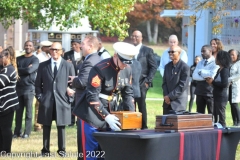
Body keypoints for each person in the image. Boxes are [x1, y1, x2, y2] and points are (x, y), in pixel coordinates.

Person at [73, 42, 137, 160]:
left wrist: (131, 116)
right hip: (91, 114)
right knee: (91, 153)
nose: (124, 65)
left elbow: (128, 94)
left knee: (108, 152)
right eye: (123, 61)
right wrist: (106, 116)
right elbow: (92, 97)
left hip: (112, 111)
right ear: (115, 55)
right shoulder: (100, 69)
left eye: (127, 63)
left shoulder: (127, 69)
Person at [35, 42, 75, 157]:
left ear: (61, 51)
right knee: (46, 126)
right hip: (47, 101)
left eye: (57, 50)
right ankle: (45, 150)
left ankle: (62, 150)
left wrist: (70, 98)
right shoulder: (43, 65)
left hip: (62, 101)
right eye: (52, 49)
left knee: (61, 127)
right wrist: (40, 98)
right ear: (49, 51)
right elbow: (37, 85)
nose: (54, 52)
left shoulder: (68, 65)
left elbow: (73, 84)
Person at [68, 35, 101, 160]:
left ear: (91, 46)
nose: (80, 46)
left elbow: (83, 82)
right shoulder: (97, 59)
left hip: (85, 107)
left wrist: (74, 80)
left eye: (83, 44)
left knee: (85, 145)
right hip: (91, 106)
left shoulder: (90, 61)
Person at [131, 30, 157, 129]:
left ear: (141, 38)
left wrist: (148, 81)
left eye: (137, 36)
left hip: (142, 82)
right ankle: (131, 126)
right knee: (130, 104)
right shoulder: (128, 50)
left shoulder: (147, 50)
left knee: (141, 104)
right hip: (130, 82)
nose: (134, 38)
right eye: (133, 36)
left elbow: (153, 67)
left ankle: (143, 127)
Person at [13, 40, 39, 139]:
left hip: (29, 88)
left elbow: (30, 70)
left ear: (33, 48)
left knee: (28, 112)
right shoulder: (18, 59)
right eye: (26, 45)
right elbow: (15, 70)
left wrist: (20, 70)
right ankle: (17, 132)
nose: (28, 47)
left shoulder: (35, 60)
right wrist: (24, 70)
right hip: (18, 88)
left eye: (30, 45)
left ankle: (27, 132)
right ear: (24, 47)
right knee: (18, 112)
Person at [0, 47, 19, 153]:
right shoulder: (4, 68)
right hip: (3, 103)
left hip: (8, 104)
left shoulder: (10, 69)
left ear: (8, 57)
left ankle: (6, 150)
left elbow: (1, 83)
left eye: (1, 56)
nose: (0, 59)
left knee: (6, 128)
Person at [206, 51, 231, 127]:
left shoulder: (225, 70)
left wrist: (213, 82)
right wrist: (211, 82)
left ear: (221, 59)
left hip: (221, 96)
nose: (216, 59)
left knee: (221, 114)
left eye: (217, 58)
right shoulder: (219, 70)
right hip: (216, 94)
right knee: (215, 112)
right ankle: (217, 126)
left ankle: (223, 128)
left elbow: (225, 84)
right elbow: (217, 82)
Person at [162, 46, 190, 114]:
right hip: (167, 103)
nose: (170, 53)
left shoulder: (184, 67)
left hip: (178, 104)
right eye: (169, 52)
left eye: (172, 52)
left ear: (179, 53)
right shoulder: (167, 66)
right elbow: (164, 83)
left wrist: (170, 96)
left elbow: (182, 86)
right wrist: (166, 96)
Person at [192, 45, 219, 114]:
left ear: (210, 51)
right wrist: (205, 76)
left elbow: (212, 75)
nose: (202, 53)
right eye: (201, 51)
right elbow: (194, 76)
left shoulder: (215, 62)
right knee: (199, 114)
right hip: (199, 91)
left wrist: (200, 71)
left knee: (211, 113)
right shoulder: (200, 62)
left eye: (204, 51)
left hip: (210, 92)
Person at [64, 39, 84, 127]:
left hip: (80, 79)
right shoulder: (68, 54)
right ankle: (71, 121)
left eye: (75, 44)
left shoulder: (83, 54)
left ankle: (79, 120)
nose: (73, 46)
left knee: (79, 101)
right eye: (72, 45)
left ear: (80, 45)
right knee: (71, 101)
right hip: (71, 79)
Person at [33, 41, 52, 132]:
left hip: (48, 84)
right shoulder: (39, 57)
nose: (50, 48)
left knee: (46, 105)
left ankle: (45, 123)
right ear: (43, 47)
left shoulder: (50, 57)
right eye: (48, 47)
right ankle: (37, 125)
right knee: (38, 105)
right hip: (40, 83)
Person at [228, 49, 240, 126]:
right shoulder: (229, 64)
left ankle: (238, 121)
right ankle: (234, 121)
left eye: (233, 55)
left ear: (237, 55)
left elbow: (238, 75)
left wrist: (229, 79)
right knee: (231, 104)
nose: (231, 56)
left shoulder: (239, 64)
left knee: (235, 104)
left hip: (236, 86)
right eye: (230, 55)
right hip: (229, 86)